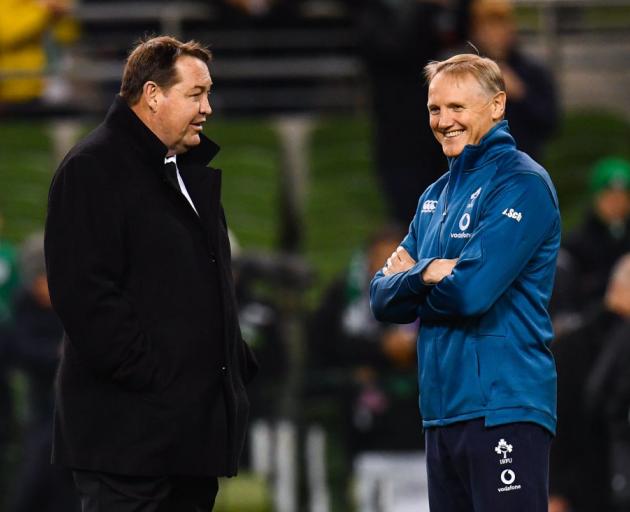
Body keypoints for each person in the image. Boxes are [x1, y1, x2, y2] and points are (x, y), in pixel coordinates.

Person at [44, 35, 258, 511]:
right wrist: (154, 378)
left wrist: (231, 362)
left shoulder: (182, 169)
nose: (208, 107)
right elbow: (85, 296)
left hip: (187, 437)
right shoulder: (92, 169)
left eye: (208, 93)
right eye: (196, 93)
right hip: (127, 439)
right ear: (153, 95)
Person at [370, 54, 560, 511]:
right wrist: (431, 272)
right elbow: (380, 299)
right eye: (435, 109)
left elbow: (472, 292)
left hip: (503, 407)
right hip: (441, 412)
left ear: (497, 106)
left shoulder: (523, 184)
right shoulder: (434, 197)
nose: (443, 121)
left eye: (457, 107)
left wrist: (413, 285)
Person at [8, 233, 78, 512]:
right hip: (42, 410)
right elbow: (20, 350)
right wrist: (55, 354)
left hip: (72, 413)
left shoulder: (71, 303)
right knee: (35, 478)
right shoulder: (25, 305)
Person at [468, 0, 559, 161]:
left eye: (500, 25)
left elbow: (550, 123)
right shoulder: (464, 73)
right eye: (488, 26)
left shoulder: (531, 72)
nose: (494, 34)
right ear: (476, 31)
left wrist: (521, 94)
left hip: (522, 167)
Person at [563, 156, 630, 312]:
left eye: (622, 197)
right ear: (596, 197)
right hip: (588, 322)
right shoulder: (576, 243)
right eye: (609, 196)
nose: (616, 203)